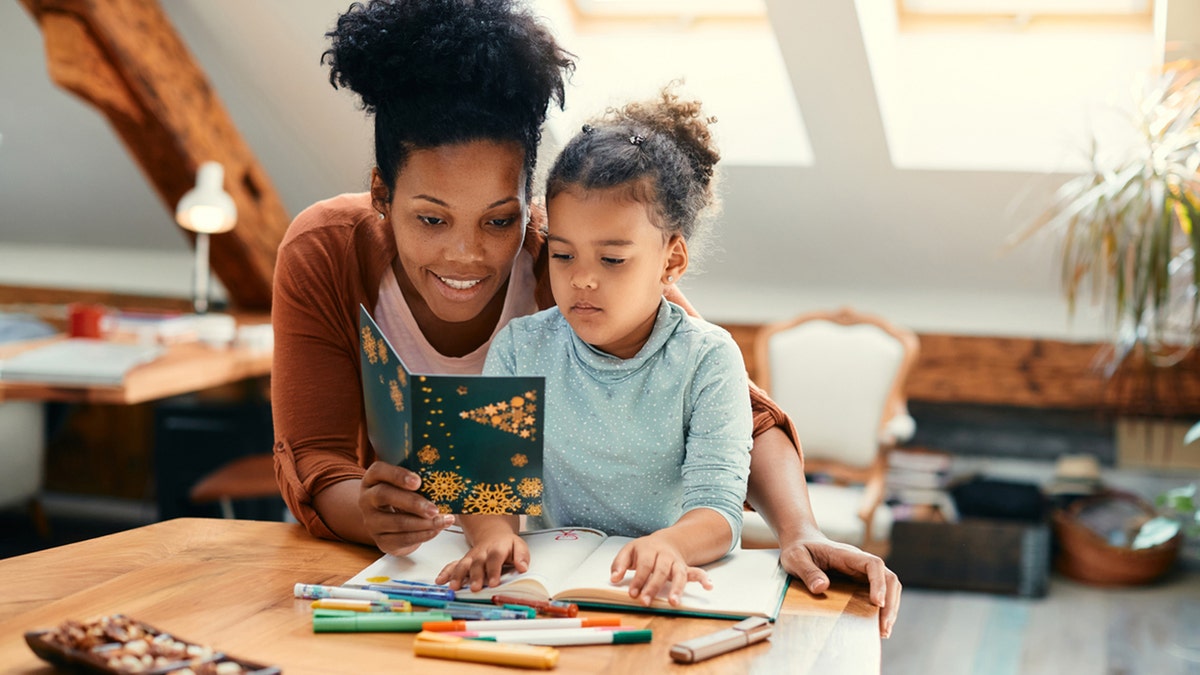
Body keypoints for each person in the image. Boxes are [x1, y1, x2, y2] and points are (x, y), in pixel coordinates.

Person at [271, 0, 901, 637]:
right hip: (426, 581)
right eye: (431, 219)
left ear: (530, 202)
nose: (467, 254)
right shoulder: (325, 252)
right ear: (383, 193)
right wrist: (372, 514)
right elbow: (317, 459)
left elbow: (741, 414)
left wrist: (800, 530)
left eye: (500, 220)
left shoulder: (569, 256)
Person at [437, 88, 751, 606]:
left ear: (671, 262)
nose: (581, 280)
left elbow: (719, 510)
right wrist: (493, 534)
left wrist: (672, 545)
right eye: (562, 255)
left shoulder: (707, 360)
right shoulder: (520, 346)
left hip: (654, 592)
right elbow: (484, 483)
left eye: (611, 260)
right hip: (546, 589)